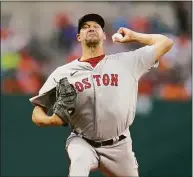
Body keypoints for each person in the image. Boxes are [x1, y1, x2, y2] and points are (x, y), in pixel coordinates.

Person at [30, 13, 173, 176]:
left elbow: (166, 42)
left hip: (119, 145)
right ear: (78, 37)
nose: (91, 28)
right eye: (85, 27)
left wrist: (134, 36)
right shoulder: (63, 72)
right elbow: (37, 111)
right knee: (78, 165)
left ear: (104, 35)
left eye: (96, 26)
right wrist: (50, 120)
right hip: (82, 140)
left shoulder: (127, 62)